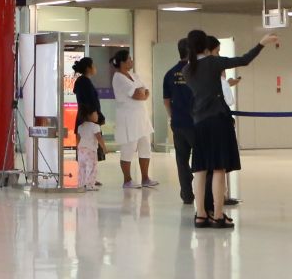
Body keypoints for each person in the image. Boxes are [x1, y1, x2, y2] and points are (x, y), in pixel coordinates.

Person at [186, 30, 280, 228]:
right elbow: (244, 60)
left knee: (200, 170)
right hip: (218, 120)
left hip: (199, 121)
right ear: (206, 45)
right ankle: (219, 215)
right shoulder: (213, 63)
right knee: (219, 168)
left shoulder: (188, 70)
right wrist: (261, 43)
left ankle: (201, 214)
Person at [163, 38, 210, 209]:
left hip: (178, 123)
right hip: (196, 123)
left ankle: (187, 194)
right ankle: (204, 194)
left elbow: (166, 100)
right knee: (202, 160)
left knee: (181, 160)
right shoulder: (195, 72)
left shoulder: (170, 73)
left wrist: (172, 118)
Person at [109, 48, 156, 188]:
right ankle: (127, 180)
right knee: (129, 148)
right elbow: (137, 94)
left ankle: (146, 178)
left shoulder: (133, 75)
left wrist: (141, 92)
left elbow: (145, 92)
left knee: (145, 147)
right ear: (123, 62)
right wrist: (141, 92)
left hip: (141, 117)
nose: (132, 61)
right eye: (129, 59)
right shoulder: (118, 77)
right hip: (128, 118)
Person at [71, 56, 103, 192]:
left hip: (84, 116)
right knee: (89, 153)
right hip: (88, 117)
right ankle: (89, 180)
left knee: (86, 153)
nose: (95, 68)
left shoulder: (82, 81)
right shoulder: (84, 82)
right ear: (89, 68)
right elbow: (89, 100)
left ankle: (88, 179)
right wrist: (94, 113)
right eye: (93, 65)